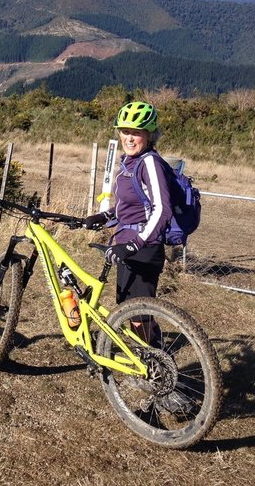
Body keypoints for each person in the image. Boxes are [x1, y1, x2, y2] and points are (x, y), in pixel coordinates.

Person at [83, 100, 173, 348]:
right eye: (125, 131)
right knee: (128, 311)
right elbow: (130, 207)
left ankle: (160, 368)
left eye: (136, 132)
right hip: (125, 246)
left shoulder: (149, 163)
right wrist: (103, 217)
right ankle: (147, 357)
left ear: (149, 135)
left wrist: (134, 245)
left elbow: (162, 209)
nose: (129, 138)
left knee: (139, 316)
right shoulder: (129, 163)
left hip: (143, 249)